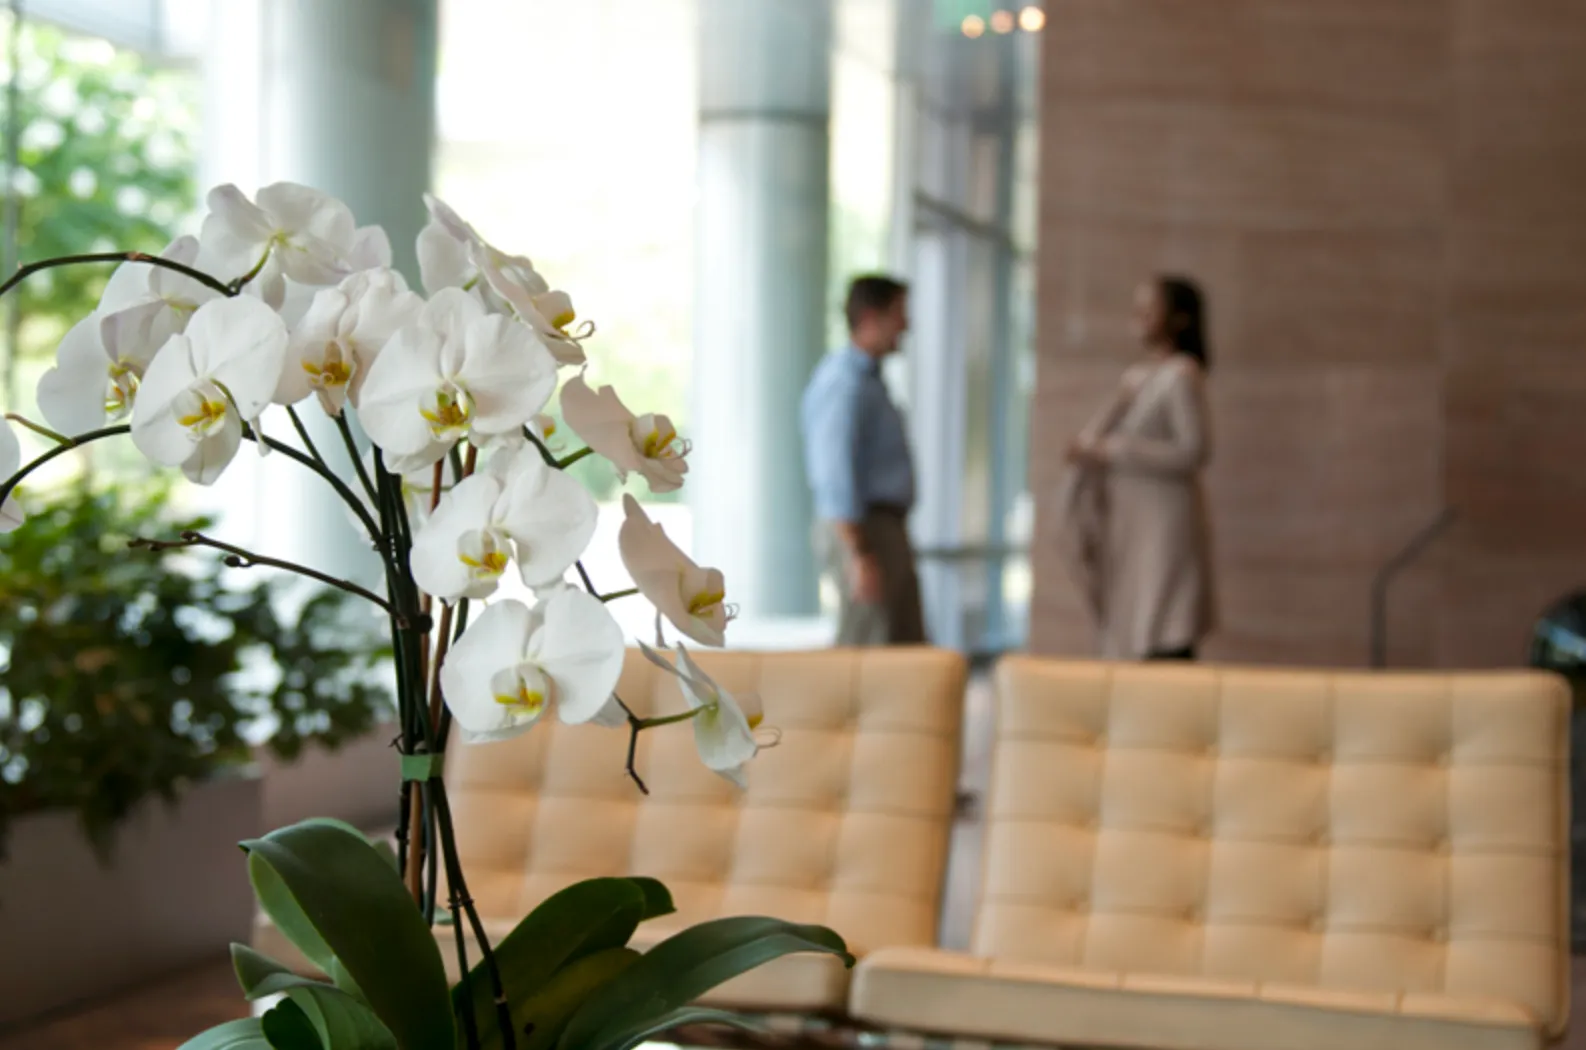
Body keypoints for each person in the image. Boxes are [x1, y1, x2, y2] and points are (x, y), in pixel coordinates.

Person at [1057, 275, 1216, 661]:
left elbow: (1193, 451)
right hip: (1133, 523)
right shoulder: (1141, 377)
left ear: (1178, 318)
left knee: (1163, 621)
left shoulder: (1180, 376)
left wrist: (1114, 450)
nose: (1139, 315)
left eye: (1150, 307)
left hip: (1163, 524)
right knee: (1134, 623)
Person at [801, 275, 925, 646]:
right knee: (867, 652)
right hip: (863, 532)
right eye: (899, 313)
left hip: (881, 530)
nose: (906, 325)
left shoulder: (869, 381)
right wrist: (859, 553)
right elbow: (833, 472)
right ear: (871, 317)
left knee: (901, 648)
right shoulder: (843, 382)